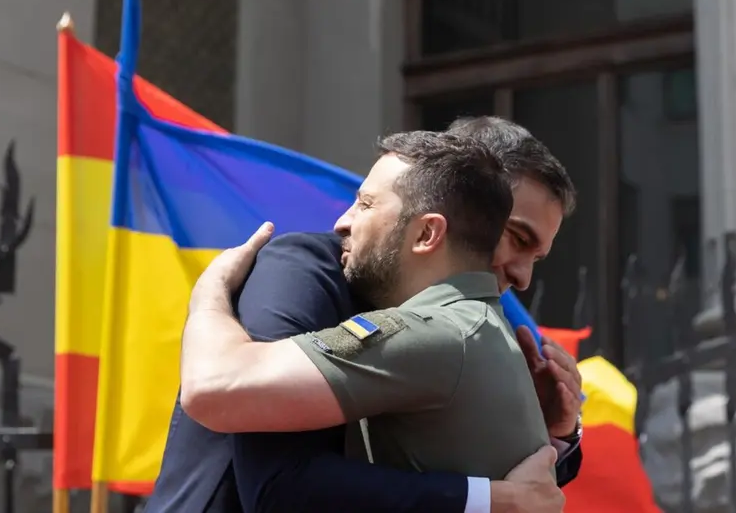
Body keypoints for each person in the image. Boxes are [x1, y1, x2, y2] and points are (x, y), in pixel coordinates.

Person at [145, 118, 580, 513]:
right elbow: (279, 483)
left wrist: (547, 434)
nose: (523, 276)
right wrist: (487, 499)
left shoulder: (465, 324)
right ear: (460, 201)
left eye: (536, 255)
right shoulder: (305, 269)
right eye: (516, 236)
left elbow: (526, 494)